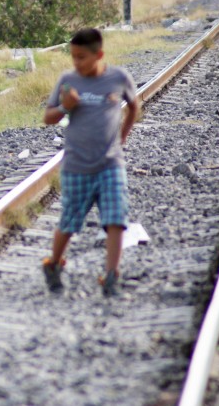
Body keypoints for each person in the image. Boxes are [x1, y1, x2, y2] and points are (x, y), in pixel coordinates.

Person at [41, 28, 138, 297]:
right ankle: (54, 264)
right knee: (69, 222)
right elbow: (47, 117)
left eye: (82, 57)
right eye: (73, 57)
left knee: (116, 219)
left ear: (99, 55)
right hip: (77, 166)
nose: (76, 63)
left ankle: (111, 276)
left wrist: (123, 137)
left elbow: (134, 106)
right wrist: (64, 107)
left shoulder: (119, 78)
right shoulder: (68, 81)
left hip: (110, 163)